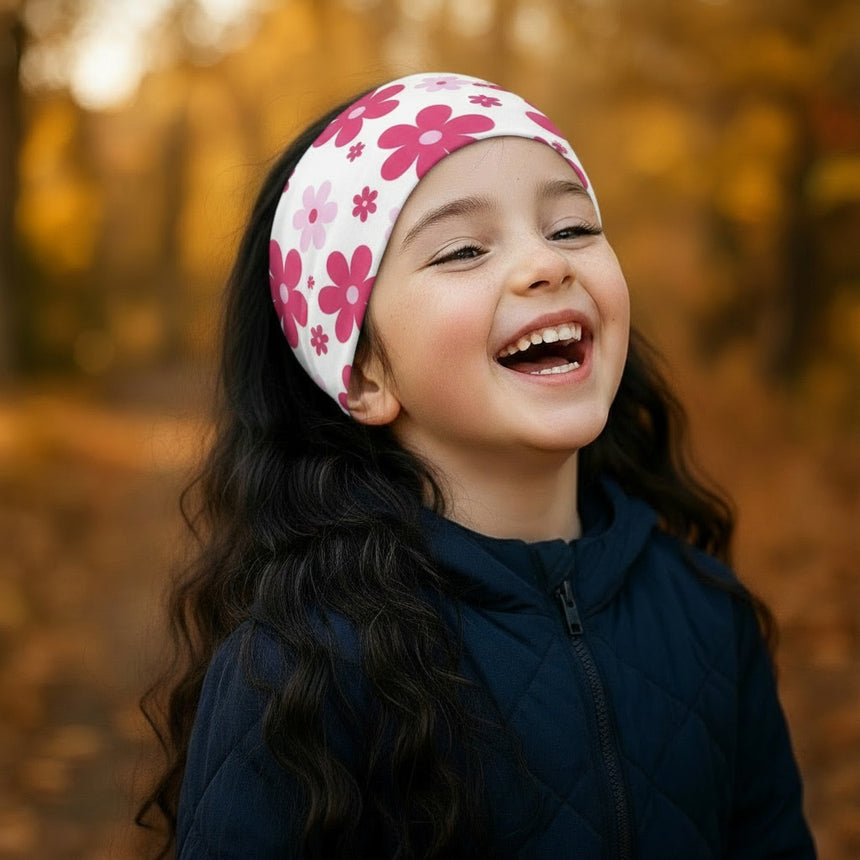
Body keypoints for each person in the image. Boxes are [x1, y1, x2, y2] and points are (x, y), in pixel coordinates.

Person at [138, 72, 816, 858]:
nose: (546, 265)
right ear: (362, 375)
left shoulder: (708, 613)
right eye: (463, 249)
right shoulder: (299, 671)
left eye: (570, 228)